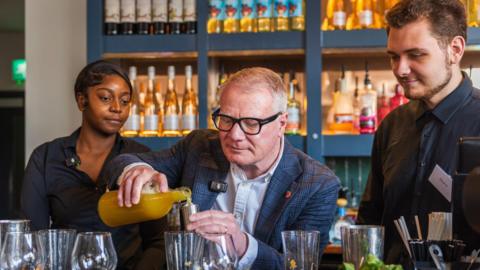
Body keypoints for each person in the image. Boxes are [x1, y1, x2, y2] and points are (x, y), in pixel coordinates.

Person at [104, 67, 340, 269]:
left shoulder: (317, 185)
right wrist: (135, 169)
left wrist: (243, 244)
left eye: (251, 123)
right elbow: (121, 161)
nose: (235, 136)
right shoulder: (199, 147)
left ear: (281, 124)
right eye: (226, 120)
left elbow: (299, 265)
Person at [357, 0, 480, 265]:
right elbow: (370, 220)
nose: (400, 69)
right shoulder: (391, 125)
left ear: (454, 50)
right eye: (394, 56)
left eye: (416, 55)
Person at [21, 60, 163, 269]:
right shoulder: (45, 158)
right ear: (81, 101)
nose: (117, 108)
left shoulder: (142, 159)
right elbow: (32, 238)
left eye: (125, 101)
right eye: (105, 98)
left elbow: (158, 241)